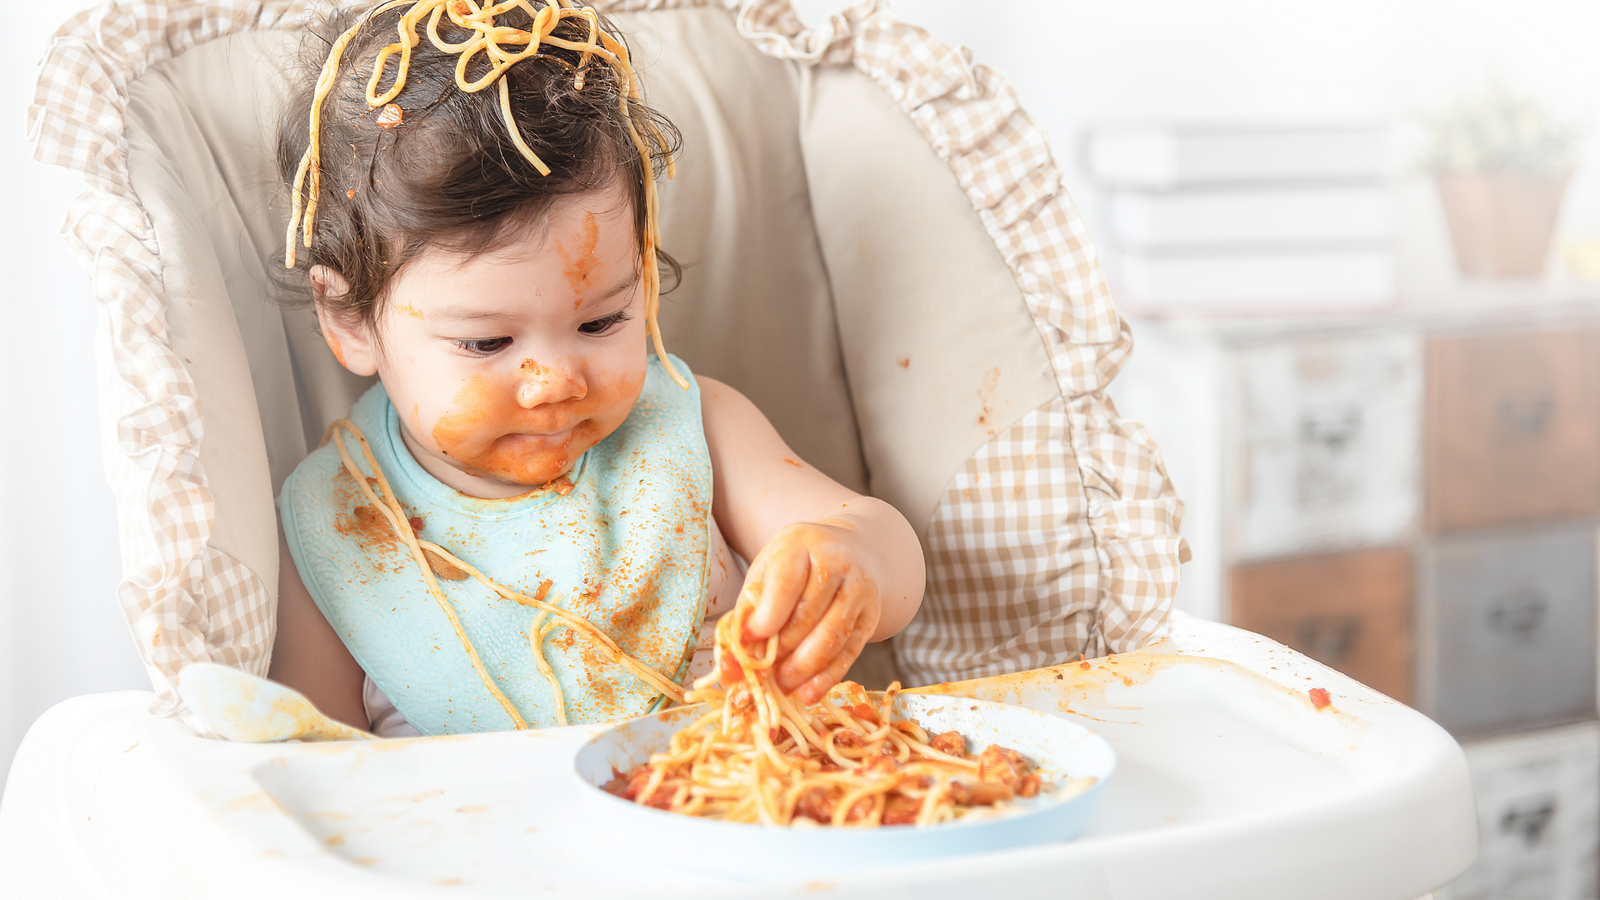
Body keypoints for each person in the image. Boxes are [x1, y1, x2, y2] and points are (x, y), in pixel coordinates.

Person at [266, 0, 924, 737]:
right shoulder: (333, 526)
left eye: (601, 321)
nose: (557, 381)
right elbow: (316, 767)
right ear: (350, 319)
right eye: (487, 345)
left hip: (737, 813)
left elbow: (885, 550)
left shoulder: (694, 423)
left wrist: (852, 557)